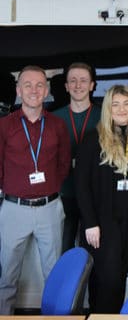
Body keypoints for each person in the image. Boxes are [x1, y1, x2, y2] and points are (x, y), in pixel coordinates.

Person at [75, 85, 128, 313]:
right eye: (115, 104)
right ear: (107, 109)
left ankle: (108, 317)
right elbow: (81, 186)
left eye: (127, 103)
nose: (122, 109)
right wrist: (90, 223)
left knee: (118, 279)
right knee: (106, 281)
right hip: (102, 224)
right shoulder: (93, 141)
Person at [0, 65, 71, 314]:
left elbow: (63, 165)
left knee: (53, 274)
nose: (34, 90)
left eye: (39, 85)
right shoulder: (4, 125)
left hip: (49, 208)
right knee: (7, 274)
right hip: (13, 208)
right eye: (28, 85)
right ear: (19, 91)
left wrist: (46, 187)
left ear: (47, 90)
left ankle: (53, 318)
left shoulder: (58, 125)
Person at [54, 62, 101, 252]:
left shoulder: (105, 116)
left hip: (96, 195)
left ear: (92, 85)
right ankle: (68, 284)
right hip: (65, 194)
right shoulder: (54, 118)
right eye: (72, 81)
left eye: (83, 80)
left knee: (93, 251)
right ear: (66, 86)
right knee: (64, 251)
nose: (78, 85)